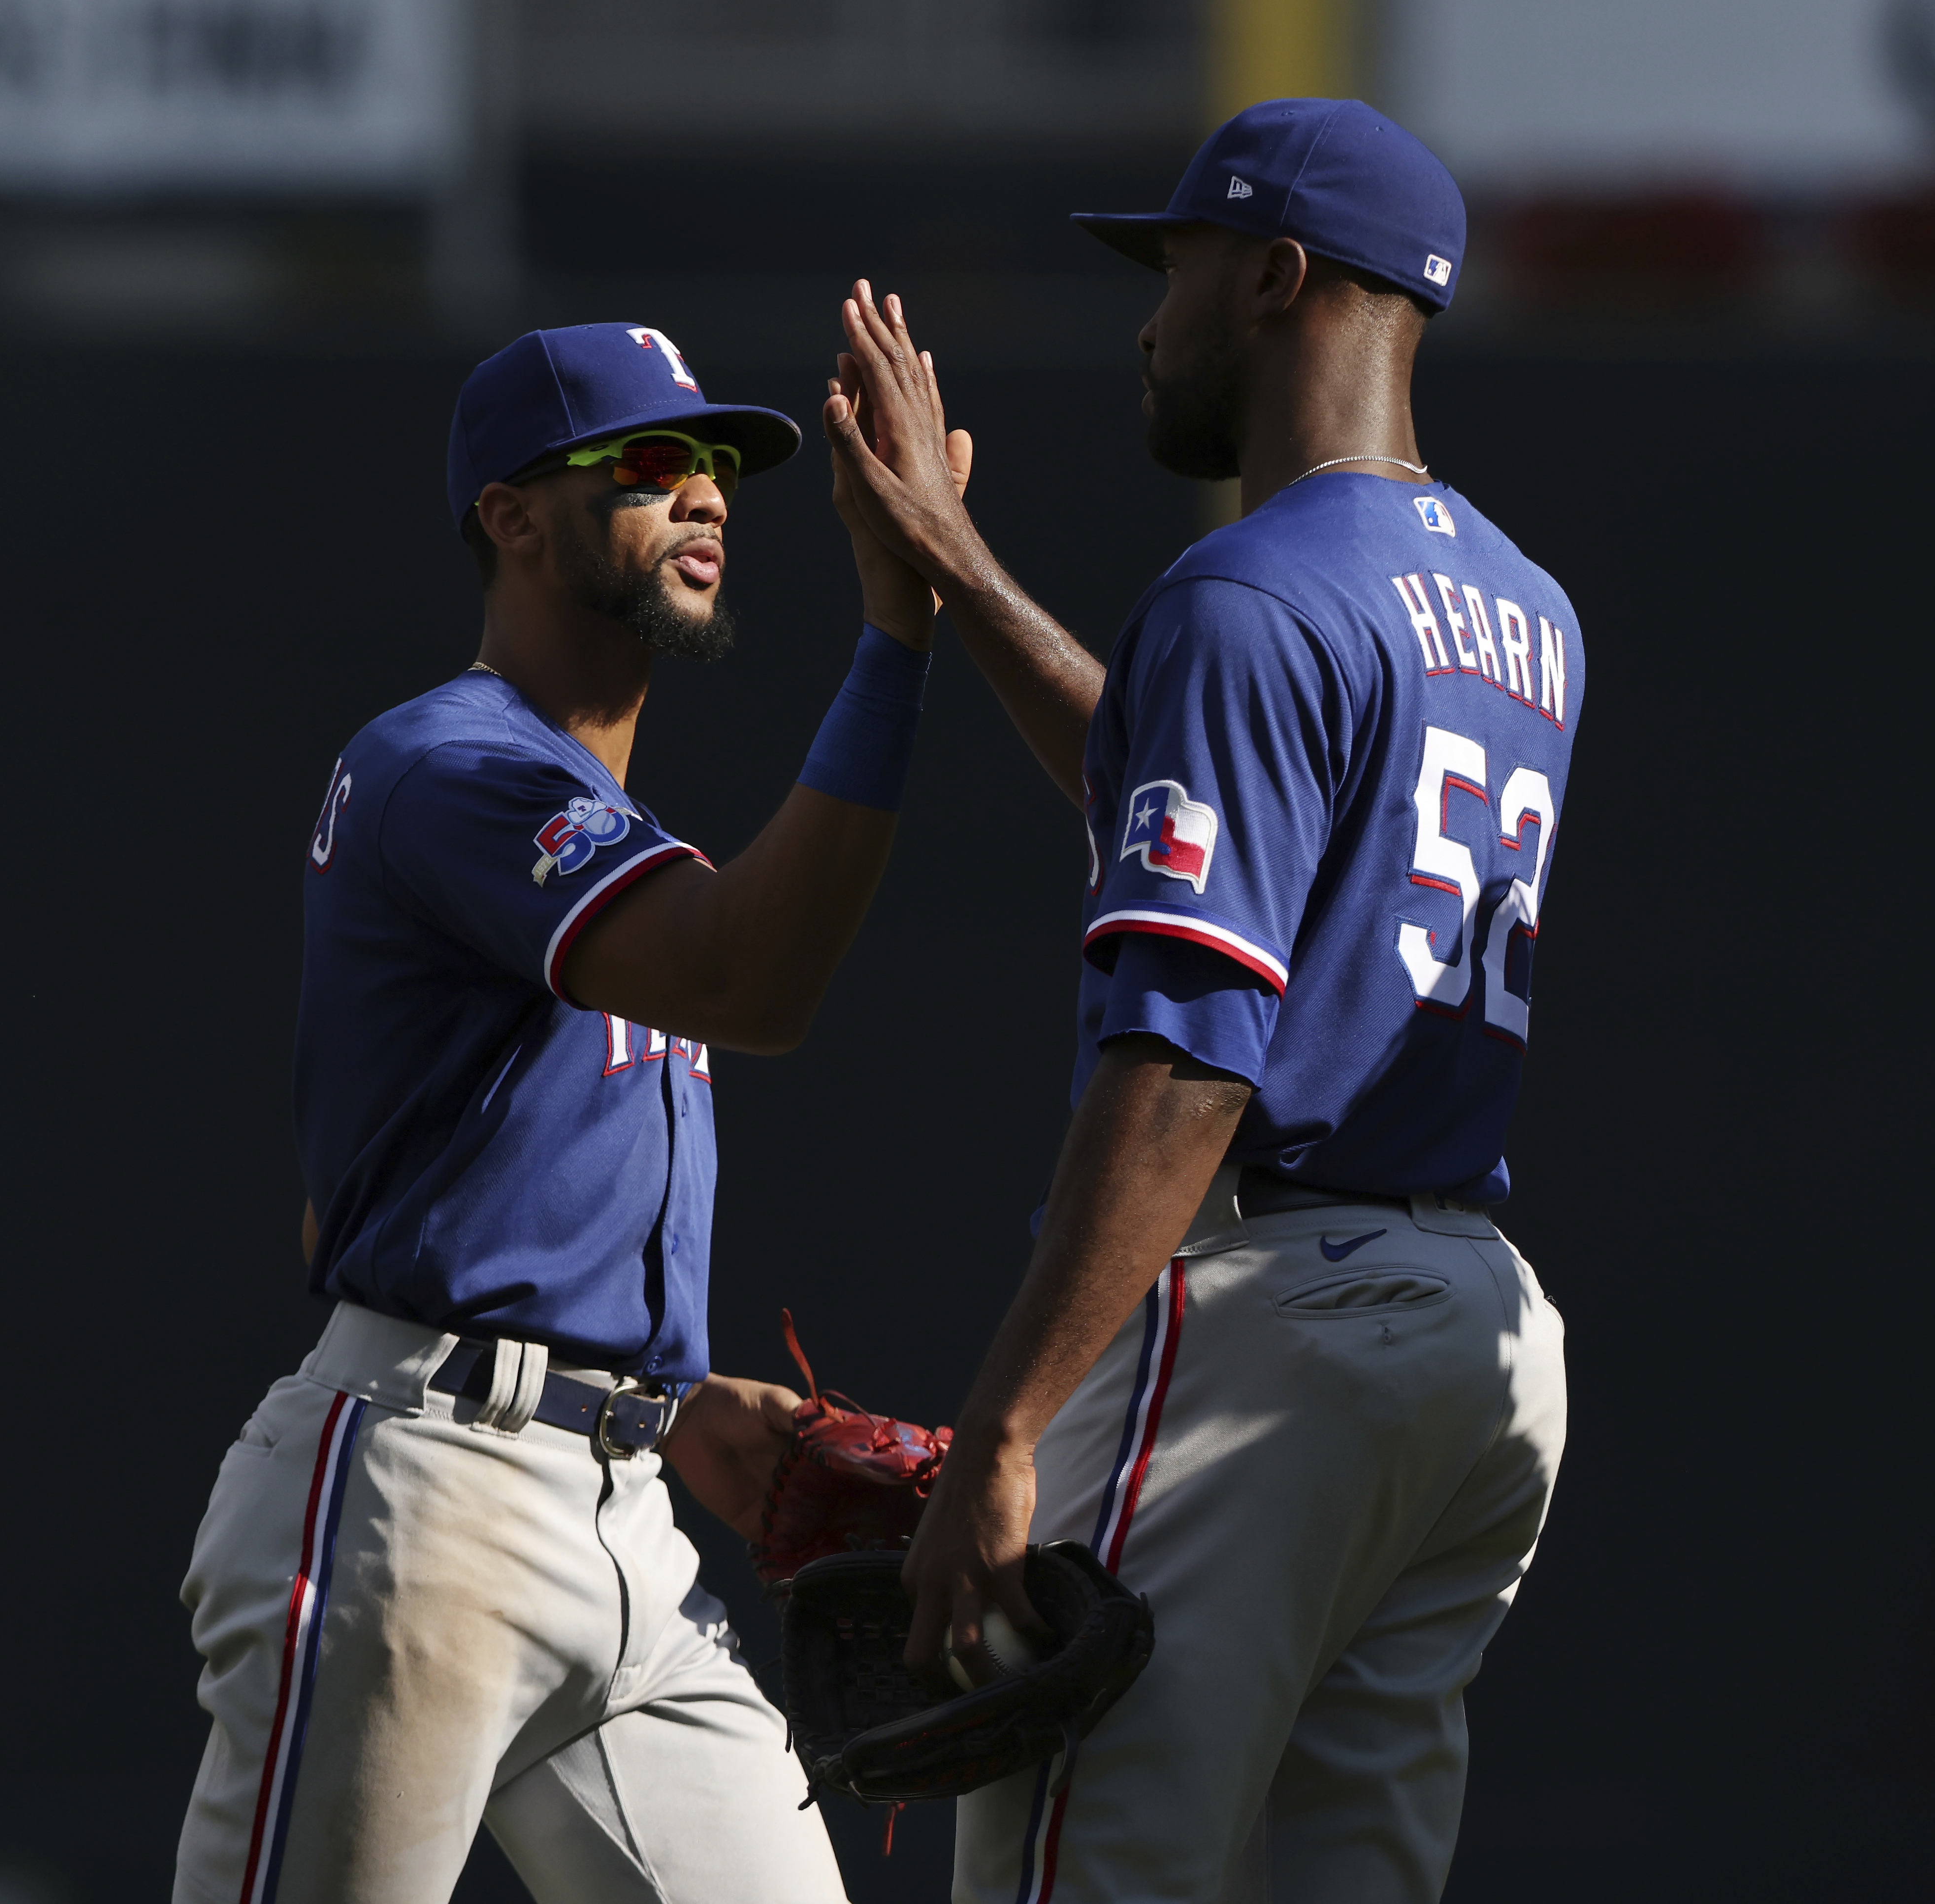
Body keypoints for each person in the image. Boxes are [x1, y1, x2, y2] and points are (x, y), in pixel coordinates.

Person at [824, 100, 1582, 1899]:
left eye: (1174, 272)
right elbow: (1212, 803)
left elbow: (1184, 1061)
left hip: (1271, 1323)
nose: (1150, 324)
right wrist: (963, 567)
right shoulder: (1521, 609)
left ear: (1277, 276)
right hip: (1474, 1346)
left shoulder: (1246, 592)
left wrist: (1006, 1428)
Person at [171, 321, 966, 1904]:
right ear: (510, 515)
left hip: (624, 1523)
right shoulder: (451, 766)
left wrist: (651, 1393)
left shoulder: (602, 831)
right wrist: (898, 629)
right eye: (647, 461)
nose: (704, 493)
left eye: (719, 466)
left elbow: (354, 1207)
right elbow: (752, 982)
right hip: (425, 1508)